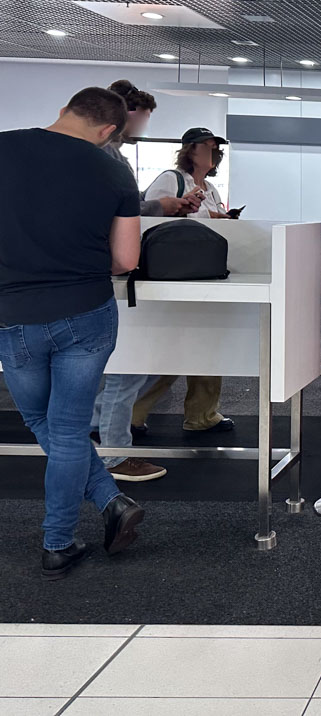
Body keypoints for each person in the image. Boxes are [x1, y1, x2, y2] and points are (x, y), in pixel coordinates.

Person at [0, 87, 146, 579]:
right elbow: (127, 260)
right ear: (109, 132)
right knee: (64, 430)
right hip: (87, 311)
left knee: (44, 424)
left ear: (64, 109)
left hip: (14, 314)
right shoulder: (114, 170)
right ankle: (66, 534)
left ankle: (96, 513)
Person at [91, 81, 204, 482]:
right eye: (142, 118)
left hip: (110, 271)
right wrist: (162, 206)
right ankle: (114, 452)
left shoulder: (107, 155)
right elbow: (121, 209)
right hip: (115, 272)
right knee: (130, 366)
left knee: (125, 365)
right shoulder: (104, 155)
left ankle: (101, 435)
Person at [136, 128, 238, 433]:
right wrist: (181, 204)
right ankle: (128, 414)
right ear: (190, 149)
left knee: (206, 343)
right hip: (175, 275)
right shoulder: (172, 179)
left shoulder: (211, 188)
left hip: (206, 273)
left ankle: (203, 415)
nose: (214, 152)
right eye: (208, 147)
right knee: (173, 347)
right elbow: (150, 223)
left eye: (217, 148)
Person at [144, 127, 231, 219]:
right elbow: (150, 218)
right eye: (205, 146)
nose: (211, 152)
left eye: (214, 147)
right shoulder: (170, 179)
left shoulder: (211, 189)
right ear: (189, 151)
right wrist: (206, 215)